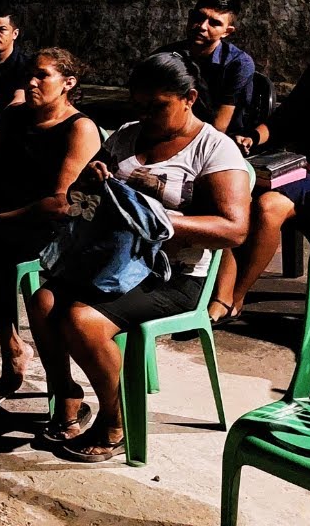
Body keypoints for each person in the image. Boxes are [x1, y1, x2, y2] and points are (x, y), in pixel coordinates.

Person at [26, 52, 250, 462]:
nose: (147, 115)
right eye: (139, 105)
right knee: (42, 301)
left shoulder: (214, 150)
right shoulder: (127, 137)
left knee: (82, 320)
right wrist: (87, 187)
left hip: (176, 275)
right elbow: (78, 207)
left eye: (158, 106)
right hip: (112, 263)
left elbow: (234, 228)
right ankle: (67, 398)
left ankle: (116, 421)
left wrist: (159, 222)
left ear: (189, 98)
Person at [0, 48, 100, 395]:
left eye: (42, 76)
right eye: (30, 75)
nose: (32, 82)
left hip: (46, 226)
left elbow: (62, 202)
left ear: (68, 83)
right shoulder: (15, 115)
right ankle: (10, 341)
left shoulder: (79, 128)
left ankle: (15, 352)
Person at [209, 8, 310, 324]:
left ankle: (237, 296)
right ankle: (220, 291)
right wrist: (252, 137)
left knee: (269, 207)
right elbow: (283, 120)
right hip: (304, 166)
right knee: (232, 193)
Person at [156, 0, 255, 134]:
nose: (202, 26)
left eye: (214, 23)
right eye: (198, 17)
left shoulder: (238, 64)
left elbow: (218, 127)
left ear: (227, 31)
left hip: (221, 140)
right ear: (190, 17)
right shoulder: (166, 56)